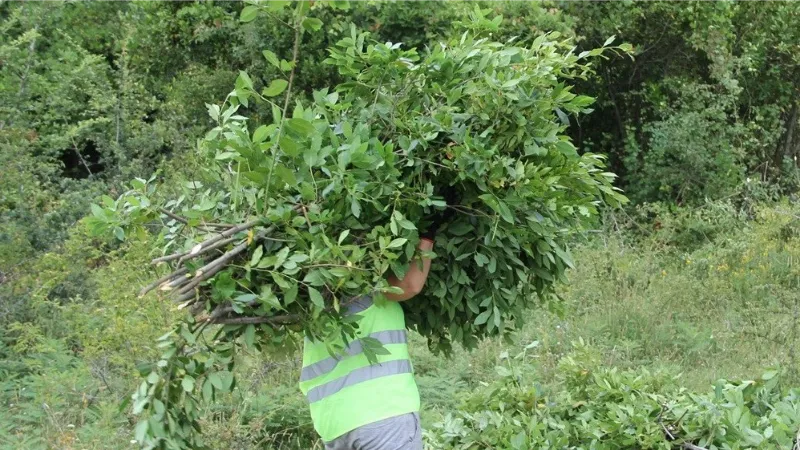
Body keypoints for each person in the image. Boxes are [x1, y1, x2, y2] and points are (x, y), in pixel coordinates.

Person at [299, 211, 449, 450]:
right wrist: (427, 237)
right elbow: (410, 284)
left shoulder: (312, 306)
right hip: (382, 417)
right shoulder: (363, 289)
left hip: (334, 426)